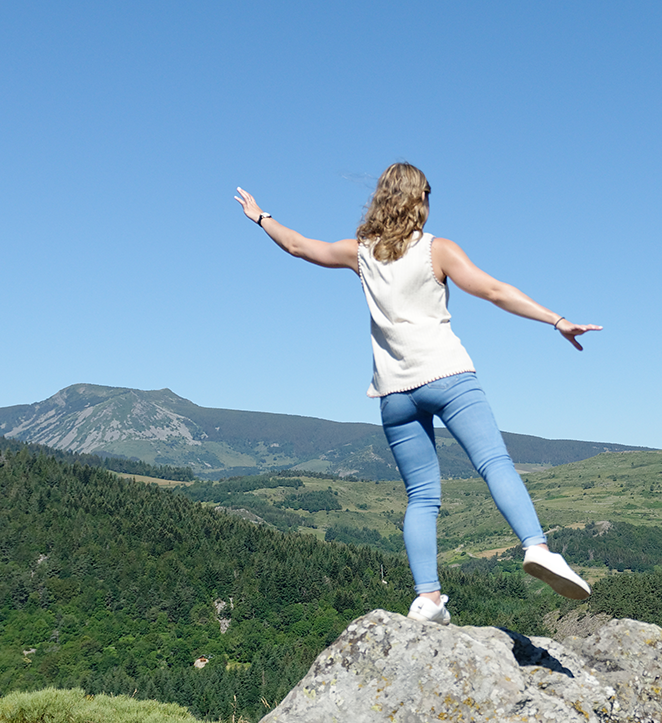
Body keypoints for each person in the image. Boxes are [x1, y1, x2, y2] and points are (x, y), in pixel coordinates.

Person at [234, 163, 599, 626]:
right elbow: (492, 290)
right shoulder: (436, 250)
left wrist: (261, 216)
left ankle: (427, 599)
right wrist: (555, 319)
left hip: (395, 393)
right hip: (447, 375)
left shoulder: (360, 253)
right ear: (418, 199)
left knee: (422, 497)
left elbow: (299, 247)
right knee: (495, 464)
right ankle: (537, 548)